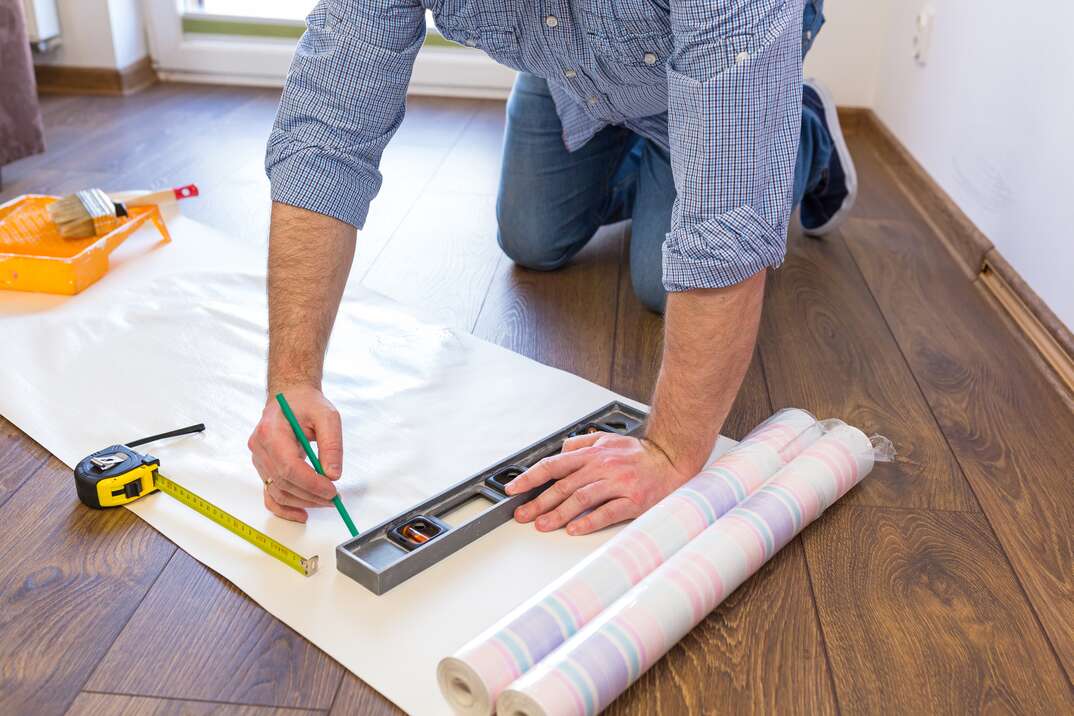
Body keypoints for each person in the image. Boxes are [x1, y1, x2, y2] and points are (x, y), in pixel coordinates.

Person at [247, 0, 857, 536]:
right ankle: (620, 115)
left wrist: (669, 453)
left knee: (656, 277)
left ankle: (799, 126)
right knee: (532, 237)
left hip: (716, 50)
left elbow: (728, 216)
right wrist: (292, 380)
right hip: (570, 54)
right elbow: (326, 141)